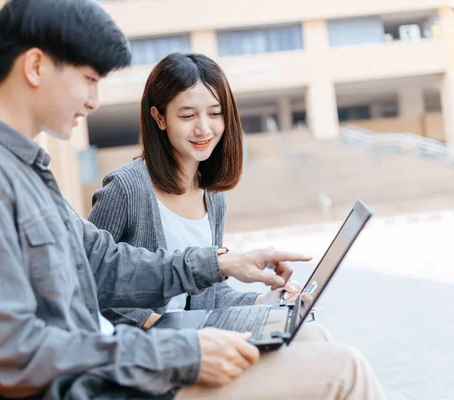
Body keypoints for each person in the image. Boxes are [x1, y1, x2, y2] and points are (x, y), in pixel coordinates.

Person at [0, 0, 385, 399]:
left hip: (119, 371)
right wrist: (183, 352)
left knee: (312, 338)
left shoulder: (20, 170)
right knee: (343, 367)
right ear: (35, 66)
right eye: (88, 78)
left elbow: (109, 263)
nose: (95, 99)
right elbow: (10, 352)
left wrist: (223, 263)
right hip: (106, 387)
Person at [89, 52, 303, 330]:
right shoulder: (126, 189)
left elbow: (208, 296)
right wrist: (160, 326)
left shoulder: (213, 198)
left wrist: (266, 300)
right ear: (160, 118)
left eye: (215, 113)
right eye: (188, 115)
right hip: (145, 352)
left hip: (194, 340)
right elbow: (88, 280)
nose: (203, 128)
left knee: (305, 330)